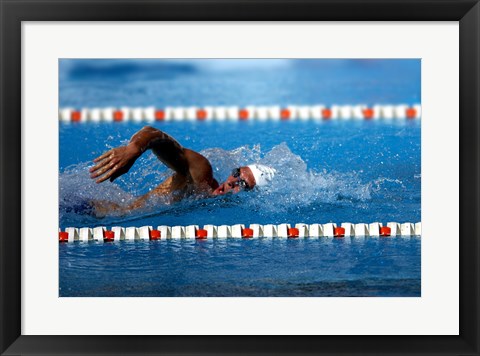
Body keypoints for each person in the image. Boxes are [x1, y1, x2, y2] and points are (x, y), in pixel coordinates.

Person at [89, 126, 275, 213]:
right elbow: (154, 134)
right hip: (97, 212)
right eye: (236, 173)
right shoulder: (202, 176)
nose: (231, 182)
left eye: (241, 184)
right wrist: (135, 149)